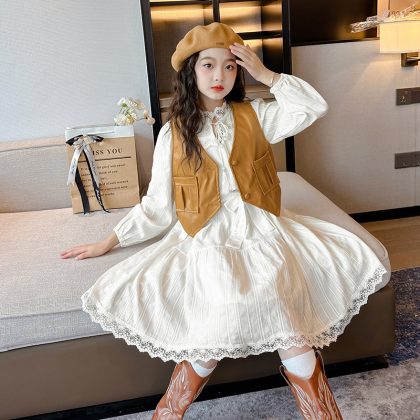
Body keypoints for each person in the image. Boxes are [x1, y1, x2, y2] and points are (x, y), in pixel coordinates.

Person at [61, 22, 387, 420]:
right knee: (217, 326)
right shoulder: (173, 134)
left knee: (288, 320)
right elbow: (158, 206)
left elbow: (312, 107)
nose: (220, 75)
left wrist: (267, 75)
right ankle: (167, 413)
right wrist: (108, 241)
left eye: (230, 66)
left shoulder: (255, 116)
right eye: (208, 65)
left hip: (263, 228)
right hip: (207, 235)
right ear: (190, 72)